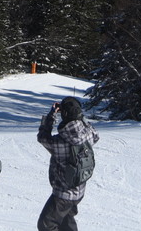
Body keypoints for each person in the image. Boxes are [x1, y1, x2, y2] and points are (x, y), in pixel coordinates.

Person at [36, 97, 99, 231]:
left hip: (63, 194)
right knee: (66, 223)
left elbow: (42, 137)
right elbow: (95, 134)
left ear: (63, 115)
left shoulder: (60, 142)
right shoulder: (88, 134)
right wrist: (80, 117)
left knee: (46, 224)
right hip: (79, 191)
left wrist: (51, 115)